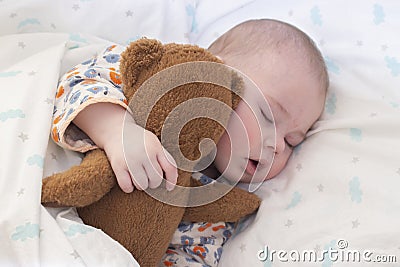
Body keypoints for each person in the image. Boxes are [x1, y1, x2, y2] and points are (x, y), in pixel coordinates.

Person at [51, 19, 328, 266]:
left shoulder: (221, 203)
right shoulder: (160, 78)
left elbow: (193, 255)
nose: (278, 146)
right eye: (267, 115)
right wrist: (115, 130)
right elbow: (79, 82)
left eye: (292, 141)